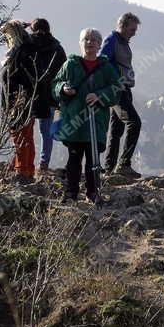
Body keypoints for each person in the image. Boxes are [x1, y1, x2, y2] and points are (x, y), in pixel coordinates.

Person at [52, 28, 121, 204]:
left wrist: (99, 95)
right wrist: (63, 89)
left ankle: (93, 192)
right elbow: (54, 85)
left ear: (99, 45)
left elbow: (116, 90)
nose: (89, 42)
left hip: (96, 122)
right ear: (80, 43)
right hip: (74, 120)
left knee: (93, 160)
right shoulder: (70, 65)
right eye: (86, 39)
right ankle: (71, 193)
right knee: (74, 159)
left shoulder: (106, 68)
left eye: (93, 40)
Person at [101, 12, 142, 178]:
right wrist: (115, 80)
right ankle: (124, 164)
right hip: (117, 90)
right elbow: (102, 60)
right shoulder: (112, 41)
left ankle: (109, 168)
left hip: (124, 89)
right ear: (123, 26)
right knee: (134, 123)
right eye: (132, 29)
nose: (134, 32)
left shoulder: (123, 42)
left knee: (116, 129)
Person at [25, 19, 67, 174]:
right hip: (49, 94)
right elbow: (64, 73)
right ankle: (43, 163)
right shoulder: (57, 48)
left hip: (29, 94)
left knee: (25, 129)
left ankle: (24, 161)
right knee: (46, 131)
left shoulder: (27, 46)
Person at [0, 20, 37, 183]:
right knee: (25, 136)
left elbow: (20, 78)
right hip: (21, 101)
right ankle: (25, 170)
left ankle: (23, 172)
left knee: (21, 137)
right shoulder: (25, 51)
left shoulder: (20, 53)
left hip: (20, 102)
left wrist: (17, 101)